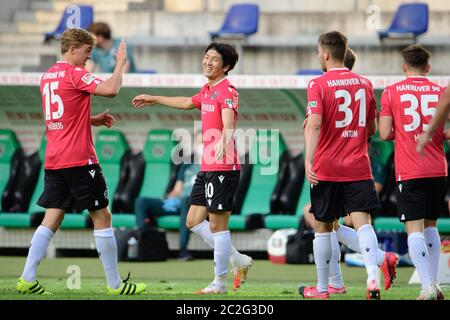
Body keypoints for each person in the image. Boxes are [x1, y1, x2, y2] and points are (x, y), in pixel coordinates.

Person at [16, 28, 146, 295]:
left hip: (54, 158)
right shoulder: (74, 74)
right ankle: (115, 286)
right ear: (73, 48)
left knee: (51, 217)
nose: (89, 58)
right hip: (78, 159)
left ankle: (27, 278)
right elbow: (111, 89)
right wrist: (121, 63)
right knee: (102, 216)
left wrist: (91, 119)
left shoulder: (48, 76)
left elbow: (59, 116)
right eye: (87, 52)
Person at [131, 42, 253, 294]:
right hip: (207, 166)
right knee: (193, 220)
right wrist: (155, 98)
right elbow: (188, 102)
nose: (208, 62)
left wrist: (223, 140)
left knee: (219, 227)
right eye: (206, 57)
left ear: (226, 66)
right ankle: (238, 259)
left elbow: (229, 122)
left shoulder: (227, 90)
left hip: (224, 167)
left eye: (215, 59)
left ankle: (219, 284)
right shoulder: (207, 90)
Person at [301, 47, 398, 296]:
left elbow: (314, 124)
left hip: (327, 166)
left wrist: (308, 160)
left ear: (325, 54)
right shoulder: (365, 84)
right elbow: (372, 129)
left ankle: (323, 288)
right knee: (362, 224)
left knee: (323, 226)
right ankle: (372, 276)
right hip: (357, 164)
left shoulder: (318, 83)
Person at [379, 45, 447, 300]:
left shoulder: (391, 92)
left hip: (411, 169)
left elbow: (385, 133)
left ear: (403, 66)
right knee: (431, 226)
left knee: (414, 229)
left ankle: (427, 287)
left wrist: (407, 134)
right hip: (438, 168)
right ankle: (435, 285)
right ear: (428, 67)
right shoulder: (441, 92)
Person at [134, 131, 204, 261]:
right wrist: (169, 198)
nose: (201, 146)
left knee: (185, 201)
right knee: (141, 201)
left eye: (204, 143)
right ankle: (143, 243)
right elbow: (177, 189)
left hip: (196, 204)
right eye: (199, 143)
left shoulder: (211, 166)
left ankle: (183, 251)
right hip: (179, 202)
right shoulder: (187, 165)